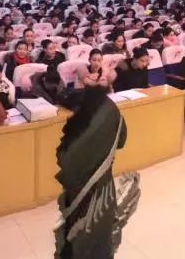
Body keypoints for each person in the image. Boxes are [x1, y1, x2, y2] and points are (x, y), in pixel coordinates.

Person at [55, 88, 130, 258]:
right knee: (102, 233)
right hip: (104, 185)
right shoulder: (111, 109)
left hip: (80, 188)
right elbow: (121, 141)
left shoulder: (77, 122)